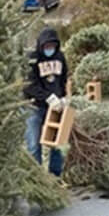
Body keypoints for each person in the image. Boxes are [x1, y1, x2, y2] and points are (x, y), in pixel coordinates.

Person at [23, 26, 68, 176]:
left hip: (54, 106)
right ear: (41, 45)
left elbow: (63, 79)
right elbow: (28, 85)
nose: (50, 49)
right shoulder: (33, 59)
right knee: (34, 143)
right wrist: (47, 97)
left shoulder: (60, 57)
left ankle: (55, 176)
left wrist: (63, 96)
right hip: (34, 106)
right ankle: (36, 177)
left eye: (53, 46)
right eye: (47, 46)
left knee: (57, 143)